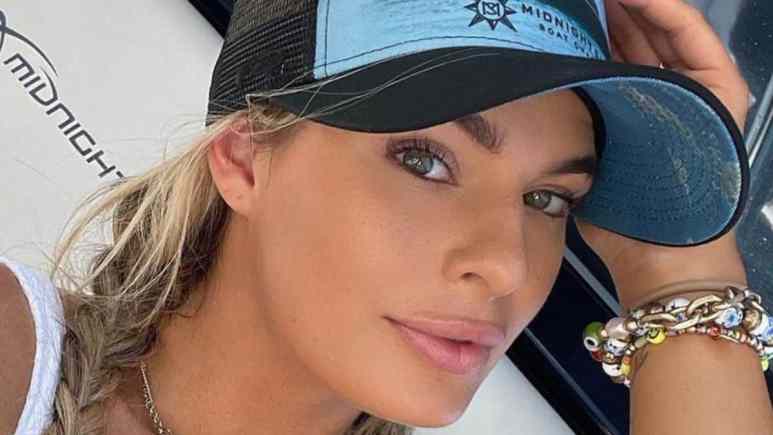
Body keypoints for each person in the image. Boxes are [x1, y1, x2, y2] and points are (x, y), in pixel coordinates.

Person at [1, 0, 771, 434]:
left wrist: (675, 264)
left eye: (547, 199)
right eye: (424, 161)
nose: (505, 264)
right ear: (244, 158)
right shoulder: (16, 367)